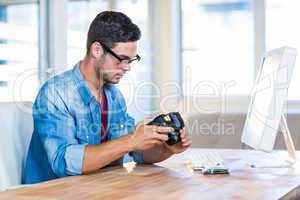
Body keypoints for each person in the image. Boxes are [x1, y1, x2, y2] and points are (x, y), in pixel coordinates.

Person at [23, 11, 191, 184]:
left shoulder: (114, 96)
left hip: (95, 190)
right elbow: (63, 162)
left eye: (131, 60)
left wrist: (167, 149)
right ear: (97, 50)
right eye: (122, 59)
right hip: (52, 193)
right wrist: (131, 141)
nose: (127, 68)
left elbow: (137, 153)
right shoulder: (56, 93)